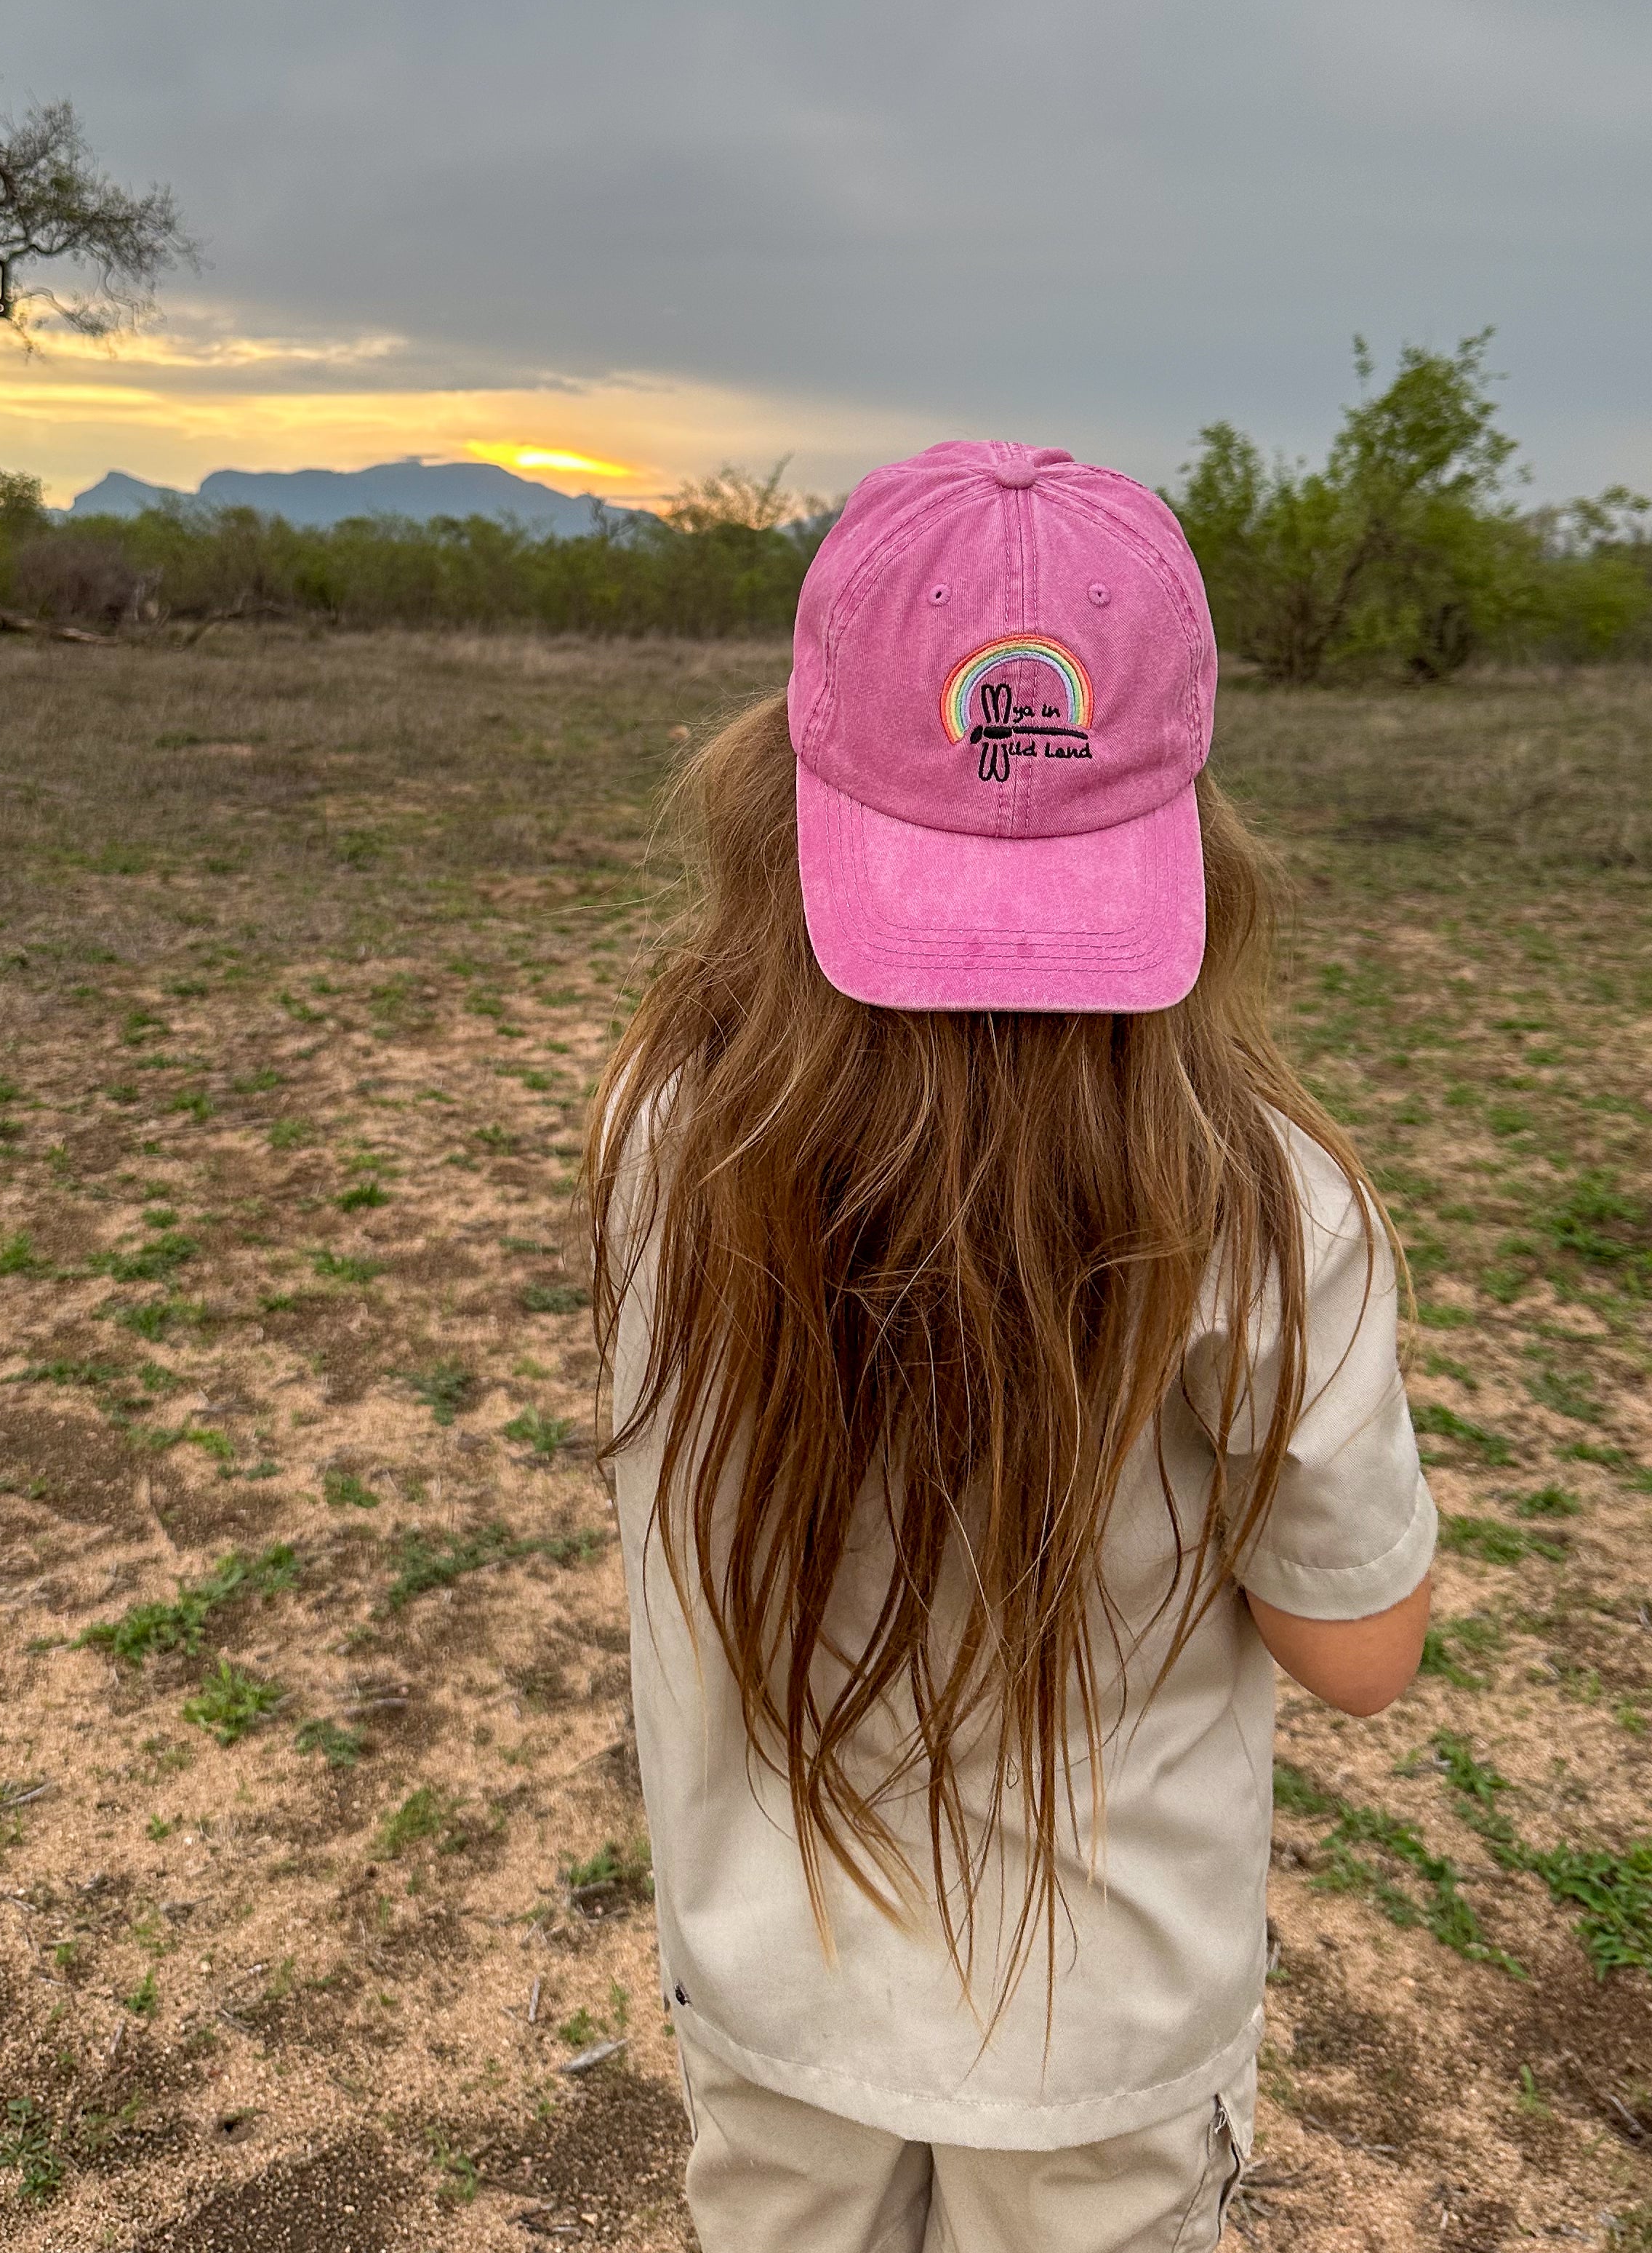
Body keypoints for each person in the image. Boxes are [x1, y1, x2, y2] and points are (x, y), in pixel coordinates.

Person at [587, 441, 1436, 2253]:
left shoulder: (664, 1129)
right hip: (1103, 2044)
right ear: (1187, 824)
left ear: (786, 783)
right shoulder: (1272, 1203)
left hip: (766, 1988)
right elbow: (1360, 1654)